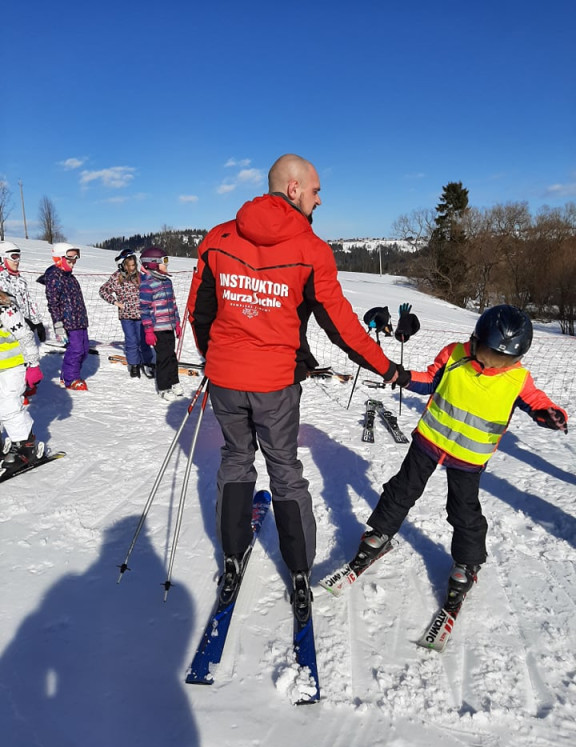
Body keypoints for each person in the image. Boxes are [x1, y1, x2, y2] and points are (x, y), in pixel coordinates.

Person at [187, 152, 401, 622]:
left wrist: (217, 357)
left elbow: (201, 312)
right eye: (316, 190)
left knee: (236, 461)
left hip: (225, 378)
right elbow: (341, 325)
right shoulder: (310, 249)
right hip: (274, 386)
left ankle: (230, 557)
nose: (320, 199)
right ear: (293, 188)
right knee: (284, 469)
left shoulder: (218, 237)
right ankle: (299, 572)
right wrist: (388, 368)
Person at [348, 304, 568, 611]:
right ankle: (380, 532)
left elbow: (535, 402)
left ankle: (467, 563)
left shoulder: (518, 379)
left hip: (469, 457)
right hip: (430, 440)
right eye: (491, 355)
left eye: (504, 360)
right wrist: (402, 376)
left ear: (517, 358)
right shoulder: (454, 355)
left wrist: (549, 414)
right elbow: (429, 380)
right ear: (476, 341)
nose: (494, 365)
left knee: (463, 510)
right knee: (403, 488)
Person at [0, 289, 44, 468]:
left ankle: (25, 446)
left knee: (9, 406)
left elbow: (26, 336)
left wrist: (33, 365)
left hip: (12, 367)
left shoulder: (6, 309)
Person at [99, 249, 155, 379]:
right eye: (130, 266)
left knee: (143, 340)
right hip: (126, 316)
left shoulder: (140, 276)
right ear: (123, 265)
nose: (132, 268)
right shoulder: (116, 277)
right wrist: (115, 302)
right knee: (131, 341)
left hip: (141, 314)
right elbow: (103, 291)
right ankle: (134, 364)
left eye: (134, 265)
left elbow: (149, 289)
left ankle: (147, 362)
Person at [43, 243, 90, 391]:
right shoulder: (53, 276)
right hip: (68, 321)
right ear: (59, 258)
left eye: (74, 260)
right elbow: (53, 303)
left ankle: (68, 374)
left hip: (80, 320)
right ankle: (70, 379)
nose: (73, 263)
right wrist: (58, 324)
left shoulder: (70, 276)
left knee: (84, 349)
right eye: (69, 261)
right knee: (75, 350)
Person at [139, 247, 183, 400]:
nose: (167, 265)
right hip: (157, 328)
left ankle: (174, 382)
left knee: (171, 356)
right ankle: (164, 388)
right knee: (163, 357)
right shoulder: (147, 285)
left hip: (169, 326)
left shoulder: (167, 282)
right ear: (152, 264)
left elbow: (173, 304)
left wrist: (177, 323)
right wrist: (149, 331)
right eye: (164, 262)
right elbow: (144, 310)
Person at [0, 241, 46, 343]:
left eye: (19, 257)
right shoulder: (1, 281)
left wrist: (37, 322)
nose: (17, 261)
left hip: (24, 331)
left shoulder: (19, 279)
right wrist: (21, 321)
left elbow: (29, 301)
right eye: (14, 257)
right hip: (8, 333)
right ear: (2, 259)